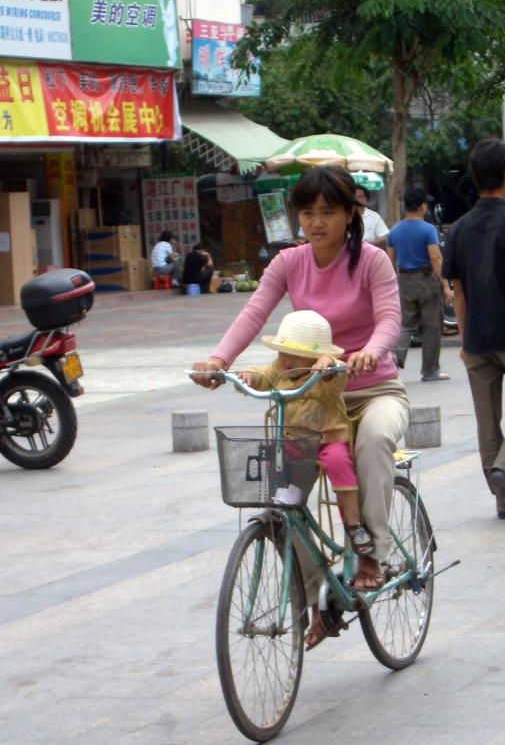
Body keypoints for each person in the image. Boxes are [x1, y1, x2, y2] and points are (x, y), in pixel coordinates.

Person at [191, 166, 410, 645]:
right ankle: (317, 598)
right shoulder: (289, 262)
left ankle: (371, 554)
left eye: (327, 212)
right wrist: (219, 360)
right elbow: (254, 313)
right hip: (309, 398)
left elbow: (390, 318)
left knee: (373, 442)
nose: (316, 222)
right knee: (281, 497)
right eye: (307, 212)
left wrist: (371, 350)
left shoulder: (372, 261)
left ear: (351, 214)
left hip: (372, 390)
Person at [238, 309, 374, 561]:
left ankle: (354, 523)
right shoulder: (279, 369)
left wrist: (329, 364)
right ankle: (284, 508)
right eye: (283, 353)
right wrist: (248, 377)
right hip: (295, 441)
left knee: (337, 462)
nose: (287, 360)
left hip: (328, 440)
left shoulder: (324, 376)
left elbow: (338, 372)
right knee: (274, 455)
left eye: (296, 355)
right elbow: (263, 374)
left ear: (314, 357)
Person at [442, 137, 505, 518]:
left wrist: (465, 341)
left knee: (487, 421)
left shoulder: (459, 229)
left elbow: (458, 292)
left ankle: (501, 497)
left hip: (478, 338)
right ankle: (503, 468)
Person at [388, 187, 453, 381]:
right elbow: (436, 259)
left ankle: (394, 359)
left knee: (405, 325)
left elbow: (389, 261)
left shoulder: (394, 231)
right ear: (423, 206)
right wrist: (445, 286)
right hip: (425, 280)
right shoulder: (428, 229)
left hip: (404, 280)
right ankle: (430, 370)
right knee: (432, 326)